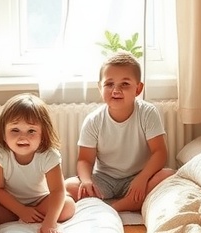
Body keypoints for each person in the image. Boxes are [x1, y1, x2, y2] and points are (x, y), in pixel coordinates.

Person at [65, 52, 175, 213]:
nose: (116, 90)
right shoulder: (93, 120)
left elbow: (159, 153)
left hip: (137, 176)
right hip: (104, 179)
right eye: (109, 84)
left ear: (138, 89)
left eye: (124, 84)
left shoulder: (147, 113)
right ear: (100, 88)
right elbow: (84, 160)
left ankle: (113, 207)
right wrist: (87, 181)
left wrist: (142, 179)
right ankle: (128, 203)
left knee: (169, 175)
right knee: (68, 186)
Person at [0, 94, 75, 233]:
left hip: (39, 202)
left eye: (31, 130)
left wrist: (50, 222)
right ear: (3, 133)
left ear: (43, 135)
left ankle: (32, 217)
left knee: (68, 206)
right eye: (15, 130)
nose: (22, 137)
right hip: (8, 204)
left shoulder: (49, 155)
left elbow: (58, 190)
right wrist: (21, 211)